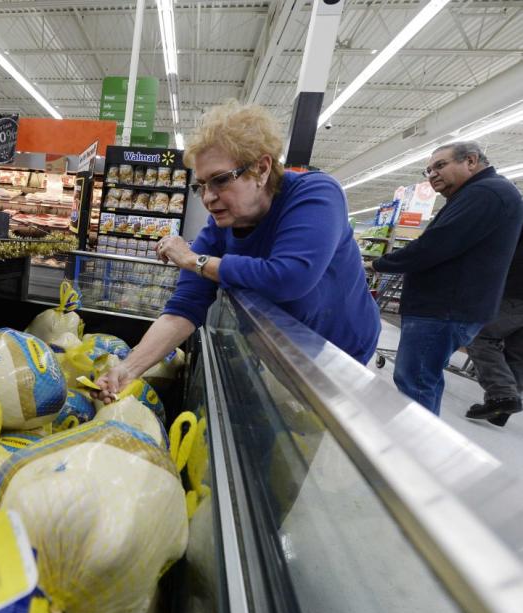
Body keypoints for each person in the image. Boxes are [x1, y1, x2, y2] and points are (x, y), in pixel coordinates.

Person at [94, 99, 380, 403]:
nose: (208, 198)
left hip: (340, 350)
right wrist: (129, 368)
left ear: (261, 168)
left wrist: (195, 260)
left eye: (219, 180)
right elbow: (185, 308)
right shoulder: (221, 226)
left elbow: (290, 277)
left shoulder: (316, 194)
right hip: (281, 346)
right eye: (201, 185)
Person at [372, 141, 523, 415]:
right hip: (447, 306)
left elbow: (435, 244)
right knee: (421, 378)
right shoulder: (480, 193)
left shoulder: (486, 193)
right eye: (428, 170)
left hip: (443, 308)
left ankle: (416, 451)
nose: (432, 175)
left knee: (415, 381)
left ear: (471, 161)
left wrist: (379, 264)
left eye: (440, 165)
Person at [465, 231, 523, 426]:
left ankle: (502, 395)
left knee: (479, 336)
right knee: (517, 353)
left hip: (515, 292)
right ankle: (501, 408)